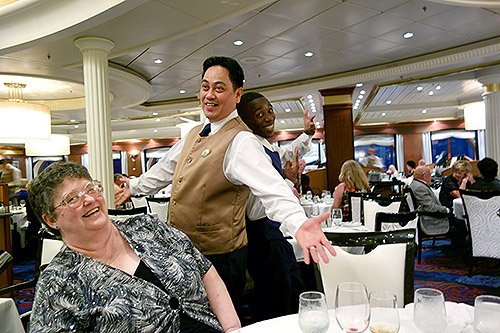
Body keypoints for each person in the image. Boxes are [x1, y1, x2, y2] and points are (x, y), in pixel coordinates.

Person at [115, 55, 335, 318]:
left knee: (218, 324)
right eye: (205, 86)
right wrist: (134, 187)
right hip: (184, 253)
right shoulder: (194, 133)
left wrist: (299, 224)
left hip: (220, 258)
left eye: (219, 88)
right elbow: (165, 169)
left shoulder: (242, 141)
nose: (209, 94)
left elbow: (272, 188)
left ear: (237, 93)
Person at [28, 161, 240, 332]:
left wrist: (232, 328)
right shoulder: (57, 283)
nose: (89, 200)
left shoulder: (147, 226)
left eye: (90, 189)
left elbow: (205, 269)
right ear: (51, 220)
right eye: (72, 198)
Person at [236, 92, 314, 320]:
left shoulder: (267, 147)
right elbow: (255, 210)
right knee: (277, 302)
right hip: (263, 241)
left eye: (269, 110)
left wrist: (307, 134)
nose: (268, 117)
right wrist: (287, 181)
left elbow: (287, 154)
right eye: (259, 115)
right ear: (248, 122)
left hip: (277, 238)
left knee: (295, 292)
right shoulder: (250, 151)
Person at [410, 166, 450, 235]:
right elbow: (430, 208)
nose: (431, 177)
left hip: (428, 217)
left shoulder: (415, 184)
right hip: (430, 221)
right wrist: (447, 210)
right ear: (424, 175)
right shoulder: (420, 187)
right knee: (459, 222)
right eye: (430, 175)